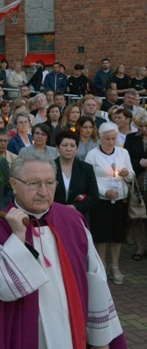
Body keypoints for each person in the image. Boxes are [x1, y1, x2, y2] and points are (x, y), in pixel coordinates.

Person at [0, 151, 126, 349]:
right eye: (34, 183)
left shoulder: (73, 221)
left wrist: (100, 337)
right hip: (22, 336)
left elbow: (94, 278)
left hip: (70, 331)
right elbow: (2, 288)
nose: (43, 192)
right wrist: (18, 237)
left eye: (49, 183)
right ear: (13, 184)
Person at [85, 122, 134, 284]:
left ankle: (115, 266)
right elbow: (89, 180)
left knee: (117, 235)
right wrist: (103, 192)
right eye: (108, 139)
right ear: (100, 138)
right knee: (101, 235)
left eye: (114, 139)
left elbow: (131, 175)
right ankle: (102, 266)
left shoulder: (123, 152)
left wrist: (127, 174)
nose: (112, 142)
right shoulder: (92, 155)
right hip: (101, 201)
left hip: (120, 199)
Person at [54, 130, 99, 224]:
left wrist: (75, 207)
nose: (69, 149)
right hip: (54, 215)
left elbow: (94, 197)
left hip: (78, 216)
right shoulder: (49, 167)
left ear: (77, 148)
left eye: (72, 145)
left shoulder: (86, 168)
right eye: (64, 145)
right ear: (57, 148)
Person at [124, 112, 147, 261]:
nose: (144, 129)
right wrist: (140, 163)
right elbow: (126, 158)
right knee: (137, 217)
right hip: (137, 184)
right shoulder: (131, 138)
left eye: (146, 126)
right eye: (141, 126)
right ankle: (139, 248)